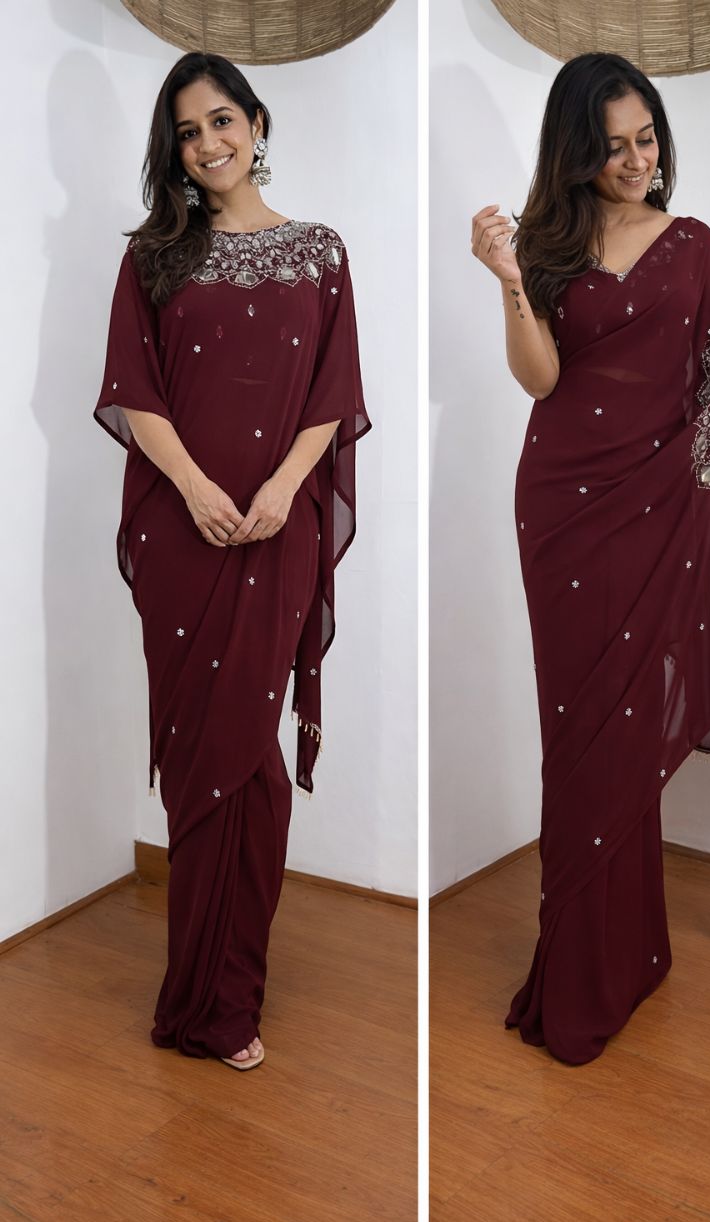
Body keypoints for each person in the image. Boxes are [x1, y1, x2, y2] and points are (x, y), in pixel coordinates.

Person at [470, 52, 710, 1065]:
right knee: (578, 734)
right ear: (574, 151)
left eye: (646, 139)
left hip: (659, 505)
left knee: (626, 729)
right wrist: (510, 284)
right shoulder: (545, 248)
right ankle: (582, 967)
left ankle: (630, 955)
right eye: (612, 145)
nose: (636, 160)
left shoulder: (690, 242)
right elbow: (540, 379)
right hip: (563, 509)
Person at [94, 52, 370, 1070]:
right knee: (200, 763)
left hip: (276, 528)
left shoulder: (320, 252)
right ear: (173, 152)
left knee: (252, 764)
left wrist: (282, 488)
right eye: (187, 132)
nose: (208, 143)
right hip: (186, 533)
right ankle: (193, 995)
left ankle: (229, 995)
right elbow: (133, 390)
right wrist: (196, 490)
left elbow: (333, 393)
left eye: (221, 120)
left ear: (256, 123)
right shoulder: (153, 257)